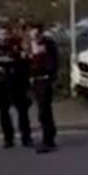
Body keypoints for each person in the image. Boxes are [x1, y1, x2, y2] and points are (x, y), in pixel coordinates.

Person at [0, 23, 32, 148]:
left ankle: (26, 137)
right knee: (4, 112)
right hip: (0, 84)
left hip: (17, 83)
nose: (4, 37)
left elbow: (26, 63)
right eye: (2, 34)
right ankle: (8, 138)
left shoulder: (16, 46)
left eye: (6, 34)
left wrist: (16, 64)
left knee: (22, 111)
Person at [26, 22, 59, 154]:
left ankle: (48, 140)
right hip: (36, 81)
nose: (34, 36)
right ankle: (48, 136)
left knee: (44, 111)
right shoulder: (30, 45)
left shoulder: (48, 44)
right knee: (42, 110)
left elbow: (53, 61)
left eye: (36, 33)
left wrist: (50, 75)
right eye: (32, 33)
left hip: (45, 80)